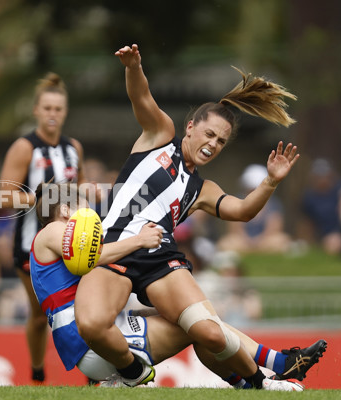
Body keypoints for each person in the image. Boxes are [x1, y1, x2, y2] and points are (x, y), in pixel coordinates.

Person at [74, 44, 315, 389]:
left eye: (221, 141)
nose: (213, 144)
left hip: (160, 260)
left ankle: (261, 384)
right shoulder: (159, 137)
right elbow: (141, 98)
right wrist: (133, 67)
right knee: (93, 325)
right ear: (190, 127)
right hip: (115, 248)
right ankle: (131, 374)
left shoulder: (203, 189)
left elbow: (244, 211)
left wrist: (271, 181)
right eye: (209, 134)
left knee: (209, 333)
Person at [30, 182, 323, 389]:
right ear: (67, 210)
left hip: (93, 343)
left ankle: (259, 377)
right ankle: (270, 370)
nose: (93, 212)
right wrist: (139, 240)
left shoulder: (54, 240)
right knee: (195, 323)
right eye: (84, 205)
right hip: (93, 344)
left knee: (196, 324)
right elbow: (92, 257)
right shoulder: (55, 231)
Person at [0, 72, 85, 383]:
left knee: (86, 307)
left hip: (72, 241)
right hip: (30, 245)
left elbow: (81, 189)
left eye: (58, 109)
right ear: (36, 110)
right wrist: (38, 198)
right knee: (40, 315)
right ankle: (37, 374)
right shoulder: (25, 148)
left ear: (65, 112)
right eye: (47, 108)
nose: (53, 114)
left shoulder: (73, 147)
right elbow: (2, 195)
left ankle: (94, 375)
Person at [217, 164, 293, 254]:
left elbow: (274, 229)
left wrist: (259, 241)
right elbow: (234, 230)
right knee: (226, 242)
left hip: (265, 241)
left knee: (281, 240)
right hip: (243, 242)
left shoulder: (273, 204)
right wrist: (248, 241)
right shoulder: (237, 200)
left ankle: (252, 251)